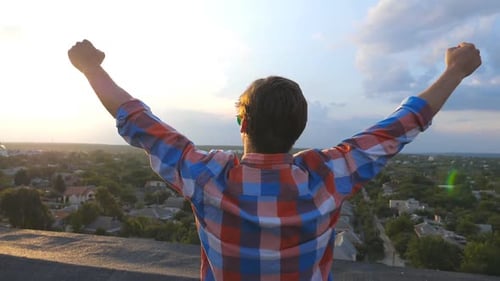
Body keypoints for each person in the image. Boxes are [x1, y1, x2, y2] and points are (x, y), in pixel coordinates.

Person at [68, 40, 481, 281]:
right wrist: (454, 71)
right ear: (298, 127)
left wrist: (91, 69)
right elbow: (402, 125)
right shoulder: (327, 174)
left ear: (242, 121)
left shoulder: (207, 175)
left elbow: (137, 119)